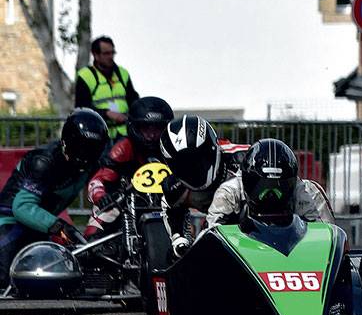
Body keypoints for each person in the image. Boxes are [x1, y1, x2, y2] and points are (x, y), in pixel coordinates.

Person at [0, 109, 109, 288]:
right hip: (10, 219)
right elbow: (22, 207)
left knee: (62, 276)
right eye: (81, 147)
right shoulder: (45, 161)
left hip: (43, 226)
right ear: (68, 142)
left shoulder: (93, 164)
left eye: (92, 149)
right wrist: (58, 226)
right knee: (4, 277)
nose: (85, 155)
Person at [158, 115, 249, 257]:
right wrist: (179, 240)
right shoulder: (174, 188)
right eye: (183, 165)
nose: (193, 169)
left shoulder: (243, 158)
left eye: (197, 160)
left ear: (212, 148)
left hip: (257, 226)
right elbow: (170, 209)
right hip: (219, 229)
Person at [84, 96, 174, 238]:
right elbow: (98, 179)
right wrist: (101, 196)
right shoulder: (123, 148)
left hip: (166, 201)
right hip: (125, 202)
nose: (152, 134)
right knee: (97, 225)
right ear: (134, 127)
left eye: (158, 128)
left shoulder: (172, 149)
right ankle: (88, 254)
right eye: (146, 128)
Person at [206, 138, 335, 228]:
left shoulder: (309, 193)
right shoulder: (229, 192)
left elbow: (327, 240)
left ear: (292, 182)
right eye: (262, 186)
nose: (270, 195)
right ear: (246, 180)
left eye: (279, 186)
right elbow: (211, 238)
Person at [74, 36, 140, 140]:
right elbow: (81, 108)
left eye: (112, 53)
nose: (111, 57)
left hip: (125, 133)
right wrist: (107, 113)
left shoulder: (122, 73)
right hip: (99, 134)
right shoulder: (85, 76)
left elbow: (133, 99)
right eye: (106, 54)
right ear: (95, 55)